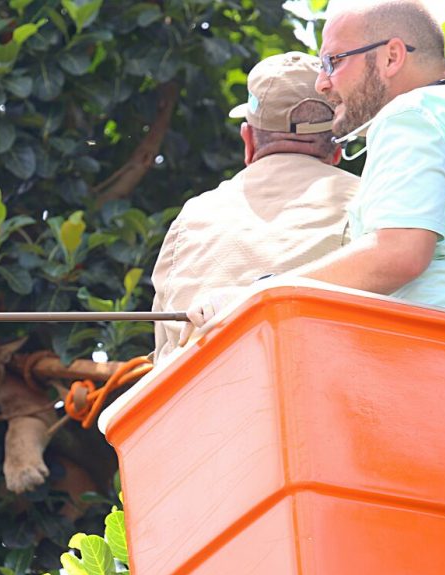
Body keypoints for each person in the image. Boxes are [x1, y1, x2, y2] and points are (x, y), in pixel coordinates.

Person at [181, 0, 445, 340]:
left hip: (442, 347)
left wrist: (260, 293)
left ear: (391, 57)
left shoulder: (410, 113)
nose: (321, 83)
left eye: (334, 61)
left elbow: (399, 253)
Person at [151, 52, 360, 362]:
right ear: (337, 146)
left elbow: (163, 355)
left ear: (248, 141)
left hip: (206, 387)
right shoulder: (371, 201)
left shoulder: (191, 217)